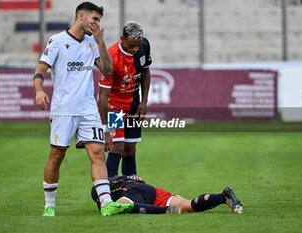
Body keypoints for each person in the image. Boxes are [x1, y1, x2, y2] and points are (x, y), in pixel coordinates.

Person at [33, 2, 133, 217]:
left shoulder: (93, 42)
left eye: (99, 20)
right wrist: (39, 90)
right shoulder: (57, 41)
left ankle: (106, 203)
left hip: (88, 110)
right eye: (94, 19)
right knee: (57, 155)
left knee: (97, 153)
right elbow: (40, 69)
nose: (97, 23)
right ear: (81, 16)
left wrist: (100, 41)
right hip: (64, 109)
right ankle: (49, 205)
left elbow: (107, 70)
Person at [98, 21, 152, 177]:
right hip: (115, 107)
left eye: (137, 45)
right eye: (131, 46)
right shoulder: (111, 57)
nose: (135, 49)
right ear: (121, 38)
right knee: (117, 147)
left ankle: (132, 186)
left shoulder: (144, 46)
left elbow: (146, 72)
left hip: (134, 106)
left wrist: (144, 101)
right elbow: (102, 95)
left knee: (130, 148)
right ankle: (110, 188)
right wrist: (105, 129)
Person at [91, 175, 243, 214]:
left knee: (124, 207)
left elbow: (108, 206)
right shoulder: (123, 177)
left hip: (137, 192)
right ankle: (223, 197)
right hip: (154, 191)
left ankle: (166, 210)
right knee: (189, 206)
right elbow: (140, 179)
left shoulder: (103, 188)